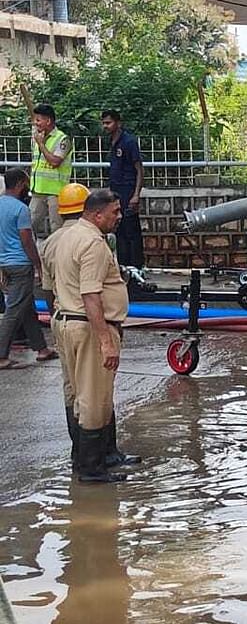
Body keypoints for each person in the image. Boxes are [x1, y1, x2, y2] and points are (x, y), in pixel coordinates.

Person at [51, 189, 136, 484]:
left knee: (77, 394)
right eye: (115, 212)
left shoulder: (66, 237)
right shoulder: (93, 244)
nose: (119, 217)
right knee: (94, 400)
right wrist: (105, 340)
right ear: (96, 214)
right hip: (87, 326)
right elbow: (91, 295)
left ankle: (88, 460)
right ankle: (91, 469)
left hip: (66, 321)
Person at [42, 182, 89, 471]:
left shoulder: (50, 242)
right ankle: (100, 455)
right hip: (85, 321)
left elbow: (47, 289)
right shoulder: (92, 238)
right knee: (95, 389)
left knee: (71, 388)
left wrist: (55, 317)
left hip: (60, 319)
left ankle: (79, 453)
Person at [0, 168, 56, 370]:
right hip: (20, 265)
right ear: (21, 184)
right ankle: (2, 355)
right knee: (14, 311)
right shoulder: (21, 209)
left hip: (4, 265)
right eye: (26, 183)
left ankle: (42, 349)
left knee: (26, 308)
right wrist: (38, 264)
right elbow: (26, 239)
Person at [101, 110, 145, 268]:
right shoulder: (112, 142)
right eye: (104, 123)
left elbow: (139, 169)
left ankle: (137, 267)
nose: (105, 126)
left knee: (131, 230)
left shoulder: (128, 142)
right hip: (116, 193)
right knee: (119, 229)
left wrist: (136, 195)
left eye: (109, 123)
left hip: (128, 191)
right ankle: (124, 266)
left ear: (118, 123)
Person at [29, 104, 73, 239]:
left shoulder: (62, 139)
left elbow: (55, 162)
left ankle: (58, 257)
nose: (35, 124)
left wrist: (41, 145)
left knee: (57, 228)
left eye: (38, 120)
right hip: (38, 190)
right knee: (29, 224)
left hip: (56, 192)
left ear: (48, 121)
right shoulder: (36, 137)